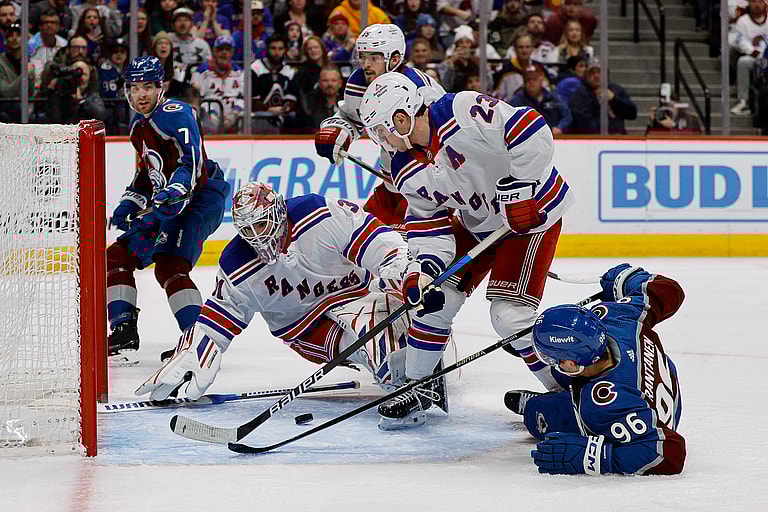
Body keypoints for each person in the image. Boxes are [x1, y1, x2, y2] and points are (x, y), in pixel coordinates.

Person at [359, 72, 574, 429]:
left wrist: (521, 186)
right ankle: (418, 385)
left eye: (382, 131)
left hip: (532, 217)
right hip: (480, 223)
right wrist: (424, 271)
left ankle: (570, 392)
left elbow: (531, 129)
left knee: (509, 317)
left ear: (401, 118)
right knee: (434, 298)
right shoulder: (404, 167)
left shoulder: (459, 109)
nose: (381, 140)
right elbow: (429, 226)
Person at [135, 183, 449, 410]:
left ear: (278, 212)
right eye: (247, 230)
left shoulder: (319, 214)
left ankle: (416, 372)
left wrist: (410, 275)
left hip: (356, 296)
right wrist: (194, 350)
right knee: (373, 347)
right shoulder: (237, 264)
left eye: (261, 224)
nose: (257, 236)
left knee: (379, 324)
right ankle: (399, 367)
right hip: (306, 328)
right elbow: (218, 318)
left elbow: (380, 244)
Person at [106, 56, 231, 365]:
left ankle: (198, 341)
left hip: (201, 197)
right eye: (135, 88)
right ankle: (123, 331)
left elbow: (193, 161)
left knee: (170, 264)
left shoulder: (176, 113)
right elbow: (147, 176)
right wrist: (129, 203)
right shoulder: (138, 127)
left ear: (160, 88)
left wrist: (176, 190)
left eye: (148, 86)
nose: (141, 94)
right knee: (116, 257)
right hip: (170, 204)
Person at [505, 263, 686, 476]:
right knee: (560, 373)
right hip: (653, 385)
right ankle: (563, 388)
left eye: (549, 356)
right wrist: (625, 279)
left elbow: (669, 453)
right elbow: (669, 289)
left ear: (572, 363)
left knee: (538, 413)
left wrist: (594, 457)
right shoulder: (617, 318)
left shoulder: (604, 404)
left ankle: (543, 404)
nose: (547, 359)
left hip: (647, 418)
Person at [314, 23, 445, 228]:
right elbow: (352, 117)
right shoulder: (359, 82)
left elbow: (442, 140)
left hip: (427, 189)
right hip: (391, 183)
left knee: (404, 241)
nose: (366, 64)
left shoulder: (420, 88)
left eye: (374, 58)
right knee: (359, 235)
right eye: (363, 57)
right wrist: (338, 131)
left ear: (394, 59)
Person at [191, 34, 244, 134]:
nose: (224, 52)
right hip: (209, 114)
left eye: (227, 49)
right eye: (220, 49)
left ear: (232, 52)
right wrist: (211, 113)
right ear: (214, 51)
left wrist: (234, 113)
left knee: (245, 117)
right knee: (210, 121)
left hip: (234, 115)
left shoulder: (239, 72)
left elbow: (243, 98)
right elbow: (197, 99)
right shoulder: (202, 71)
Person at [569, 58, 637, 135]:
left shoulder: (616, 90)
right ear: (586, 75)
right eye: (592, 72)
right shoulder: (579, 95)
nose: (596, 75)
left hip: (618, 137)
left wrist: (614, 99)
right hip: (593, 139)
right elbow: (585, 124)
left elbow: (632, 113)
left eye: (599, 72)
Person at [728, 0, 768, 115]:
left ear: (765, 4)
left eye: (760, 2)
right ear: (749, 4)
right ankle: (743, 101)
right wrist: (754, 52)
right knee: (743, 61)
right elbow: (740, 41)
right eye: (754, 2)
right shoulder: (743, 21)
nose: (757, 5)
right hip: (752, 56)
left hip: (767, 55)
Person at [509, 65, 571, 135]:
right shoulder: (517, 100)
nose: (531, 81)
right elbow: (512, 120)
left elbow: (567, 116)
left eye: (535, 78)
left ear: (542, 79)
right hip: (528, 137)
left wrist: (560, 128)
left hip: (552, 136)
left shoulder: (553, 97)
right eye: (528, 79)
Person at [0, 23, 34, 122]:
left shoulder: (29, 61)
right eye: (10, 36)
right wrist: (25, 75)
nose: (14, 38)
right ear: (5, 41)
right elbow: (5, 93)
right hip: (5, 106)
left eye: (18, 35)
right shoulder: (1, 63)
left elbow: (31, 93)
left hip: (25, 107)